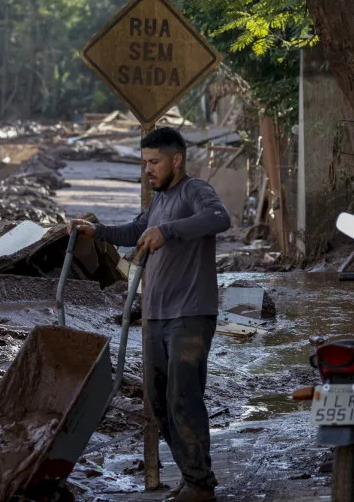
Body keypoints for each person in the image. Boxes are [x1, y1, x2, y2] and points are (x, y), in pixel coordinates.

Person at [67, 127, 230, 502]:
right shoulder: (158, 202)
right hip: (156, 316)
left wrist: (168, 232)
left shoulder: (195, 191)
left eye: (154, 162)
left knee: (183, 397)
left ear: (177, 160)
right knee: (159, 402)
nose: (148, 170)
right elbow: (138, 230)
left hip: (190, 314)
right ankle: (195, 477)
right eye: (144, 163)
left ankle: (200, 485)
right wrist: (98, 230)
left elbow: (219, 218)